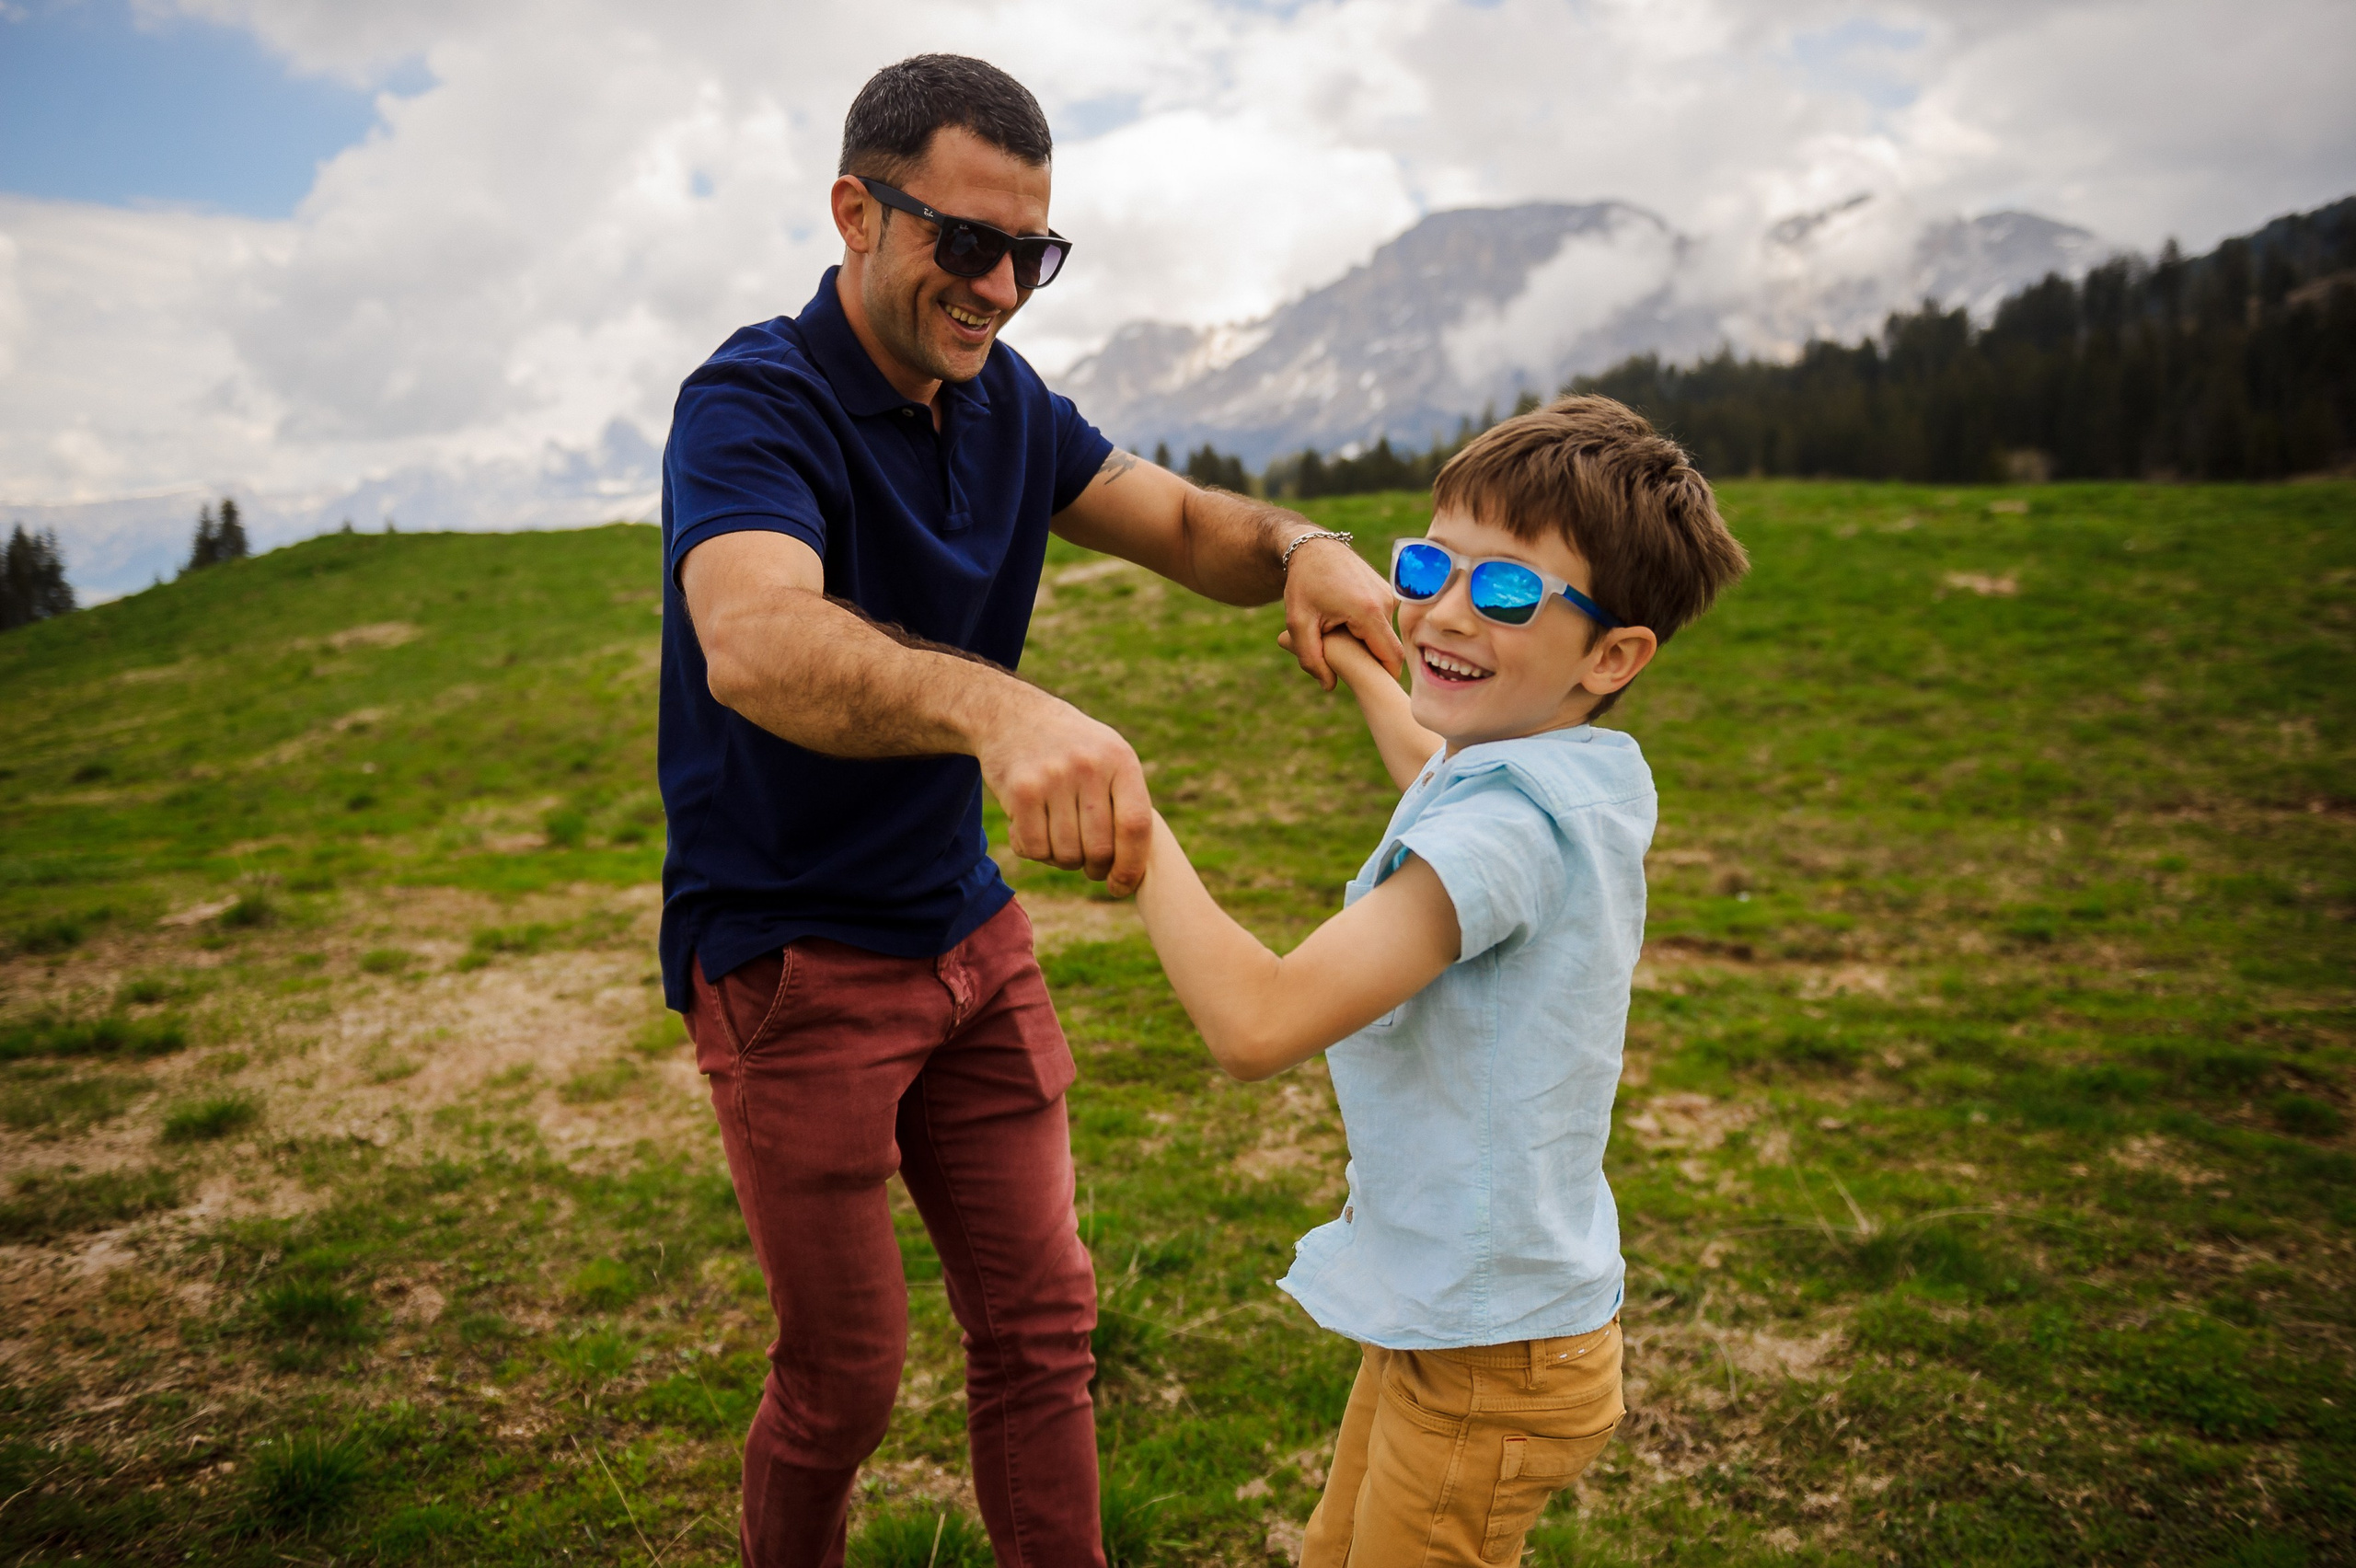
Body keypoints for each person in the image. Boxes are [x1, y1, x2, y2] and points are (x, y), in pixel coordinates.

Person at [656, 53, 1401, 1568]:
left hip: (966, 934)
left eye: (1031, 254)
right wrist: (1002, 712)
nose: (999, 287)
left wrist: (1303, 546)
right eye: (966, 242)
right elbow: (753, 638)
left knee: (1045, 1326)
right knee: (845, 1380)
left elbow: (1181, 518)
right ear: (857, 212)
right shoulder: (753, 403)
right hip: (792, 956)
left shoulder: (1004, 403)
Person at [1133, 397, 1750, 1565]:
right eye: (1428, 566)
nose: (1447, 611)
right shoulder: (1566, 765)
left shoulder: (1510, 829)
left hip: (1488, 1364)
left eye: (1508, 591)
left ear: (1613, 656)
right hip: (1466, 1319)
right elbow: (1440, 768)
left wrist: (1135, 822)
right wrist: (1367, 662)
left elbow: (1256, 1024)